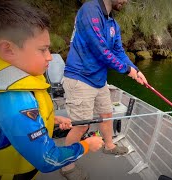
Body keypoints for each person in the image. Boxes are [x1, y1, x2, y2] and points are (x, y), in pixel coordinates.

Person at [0, 0, 104, 179]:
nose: (50, 57)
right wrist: (86, 145)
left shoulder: (0, 79)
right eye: (43, 50)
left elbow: (6, 125)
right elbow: (48, 159)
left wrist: (51, 119)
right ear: (8, 49)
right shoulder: (14, 98)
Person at [62, 0, 148, 177]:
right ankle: (67, 167)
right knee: (81, 125)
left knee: (107, 114)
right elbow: (99, 49)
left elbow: (118, 52)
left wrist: (137, 71)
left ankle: (109, 146)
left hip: (99, 80)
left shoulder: (112, 23)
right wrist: (127, 70)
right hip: (80, 77)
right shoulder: (89, 10)